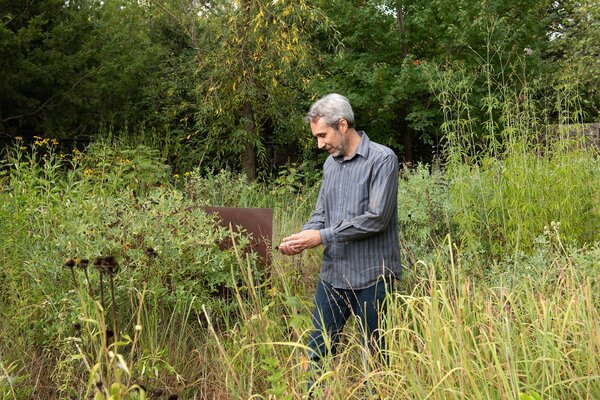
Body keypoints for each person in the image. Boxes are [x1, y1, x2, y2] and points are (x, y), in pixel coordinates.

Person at [278, 93, 401, 392]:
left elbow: (376, 218)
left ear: (342, 125)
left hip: (373, 277)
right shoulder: (330, 165)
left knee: (374, 359)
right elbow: (322, 213)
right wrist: (301, 238)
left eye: (323, 135)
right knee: (317, 353)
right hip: (333, 276)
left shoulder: (382, 159)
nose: (319, 144)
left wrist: (321, 236)